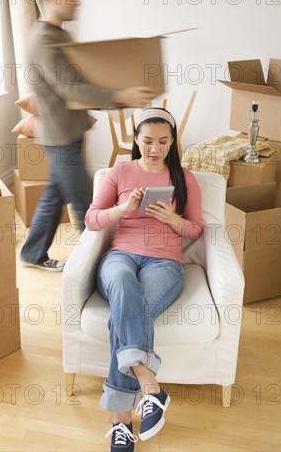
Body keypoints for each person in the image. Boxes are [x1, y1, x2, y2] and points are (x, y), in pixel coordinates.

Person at [85, 107, 204, 451]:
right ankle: (150, 388)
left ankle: (121, 423)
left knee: (124, 318)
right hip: (121, 255)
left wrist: (172, 218)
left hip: (165, 262)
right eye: (148, 141)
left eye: (163, 142)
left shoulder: (184, 177)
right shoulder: (118, 172)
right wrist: (123, 210)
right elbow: (92, 220)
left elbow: (196, 230)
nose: (155, 148)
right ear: (135, 139)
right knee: (123, 284)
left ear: (172, 142)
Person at [20, 0, 154, 271]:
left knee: (55, 196)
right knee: (85, 203)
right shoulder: (44, 40)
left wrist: (117, 94)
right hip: (60, 135)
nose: (76, 2)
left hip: (67, 131)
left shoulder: (59, 34)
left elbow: (79, 79)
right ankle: (99, 266)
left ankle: (31, 253)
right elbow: (69, 89)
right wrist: (121, 96)